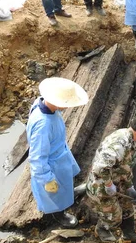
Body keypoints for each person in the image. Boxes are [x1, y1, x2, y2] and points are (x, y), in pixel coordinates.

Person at [84, 109, 136, 243]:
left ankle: (129, 234)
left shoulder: (132, 142)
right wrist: (108, 185)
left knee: (128, 205)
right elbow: (99, 168)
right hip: (101, 186)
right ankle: (102, 229)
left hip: (117, 183)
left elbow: (125, 168)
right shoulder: (119, 142)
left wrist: (130, 186)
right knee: (114, 217)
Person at [26, 77, 89, 227]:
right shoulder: (43, 125)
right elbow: (37, 158)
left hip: (59, 153)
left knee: (65, 182)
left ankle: (70, 193)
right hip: (52, 164)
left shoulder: (42, 103)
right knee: (55, 192)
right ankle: (59, 214)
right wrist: (47, 179)